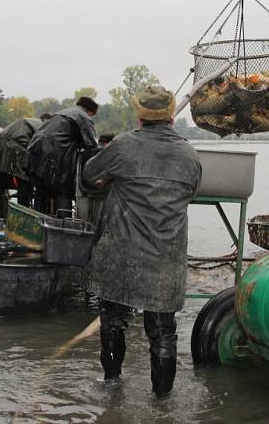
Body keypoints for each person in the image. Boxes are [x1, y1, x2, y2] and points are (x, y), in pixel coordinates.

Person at [82, 86, 202, 398]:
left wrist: (113, 178)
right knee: (163, 332)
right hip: (166, 257)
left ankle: (111, 386)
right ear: (172, 116)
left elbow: (88, 175)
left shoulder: (123, 145)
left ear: (139, 116)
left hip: (121, 251)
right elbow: (191, 192)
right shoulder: (190, 154)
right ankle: (162, 404)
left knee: (112, 321)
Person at [27, 97, 98, 215]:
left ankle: (36, 226)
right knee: (63, 192)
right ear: (90, 111)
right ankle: (64, 226)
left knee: (41, 193)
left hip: (35, 152)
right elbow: (91, 146)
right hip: (55, 155)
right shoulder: (84, 117)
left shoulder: (60, 114)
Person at [0, 114, 50, 207]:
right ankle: (24, 210)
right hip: (17, 146)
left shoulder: (31, 122)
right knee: (25, 182)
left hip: (2, 145)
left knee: (3, 183)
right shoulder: (43, 125)